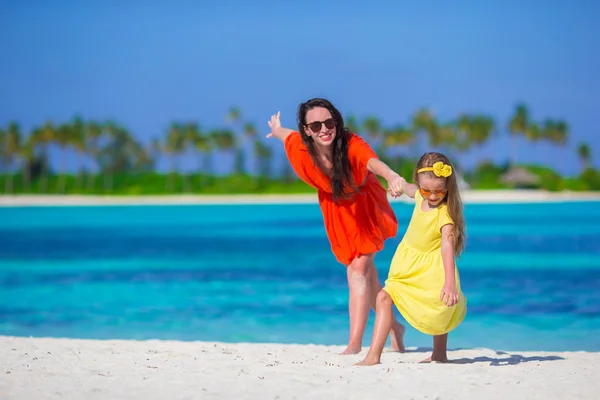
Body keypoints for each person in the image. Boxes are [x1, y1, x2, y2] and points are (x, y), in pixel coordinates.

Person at [266, 98, 407, 355]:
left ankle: (354, 344)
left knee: (359, 268)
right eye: (316, 125)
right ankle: (393, 326)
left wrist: (393, 176)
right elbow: (287, 135)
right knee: (363, 271)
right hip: (337, 208)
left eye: (329, 122)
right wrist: (276, 130)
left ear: (337, 122)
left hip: (365, 204)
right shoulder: (300, 146)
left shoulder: (351, 143)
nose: (324, 129)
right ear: (307, 130)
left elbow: (373, 162)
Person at [356, 152, 467, 365]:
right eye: (426, 190)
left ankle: (439, 354)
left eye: (439, 191)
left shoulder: (445, 215)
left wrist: (450, 283)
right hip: (407, 264)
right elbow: (406, 186)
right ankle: (373, 356)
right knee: (383, 298)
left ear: (448, 187)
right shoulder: (419, 194)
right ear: (419, 183)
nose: (432, 196)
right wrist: (395, 184)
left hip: (433, 267)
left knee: (439, 308)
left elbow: (447, 246)